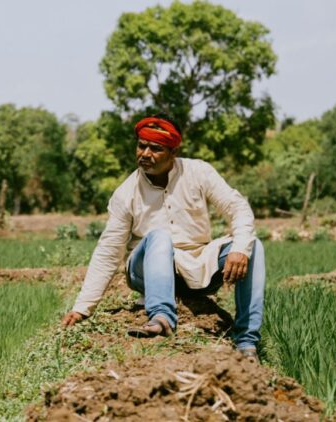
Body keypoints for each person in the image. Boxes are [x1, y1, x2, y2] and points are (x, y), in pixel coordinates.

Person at [60, 114, 265, 362]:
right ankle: (161, 317)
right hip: (146, 270)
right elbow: (108, 252)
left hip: (197, 265)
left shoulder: (199, 172)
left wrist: (240, 249)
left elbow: (238, 208)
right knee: (158, 237)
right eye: (141, 145)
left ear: (173, 152)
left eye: (155, 148)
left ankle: (246, 341)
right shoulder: (126, 194)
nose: (145, 154)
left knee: (252, 246)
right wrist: (83, 308)